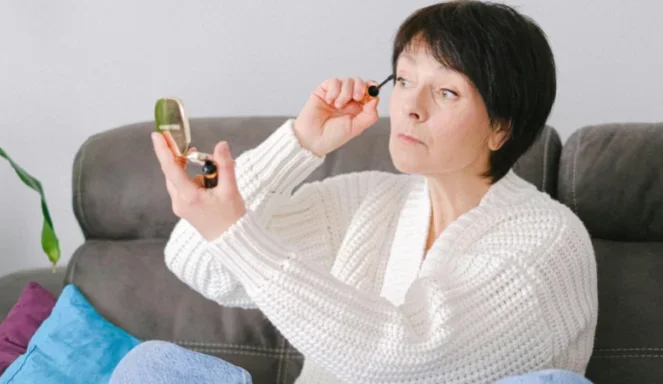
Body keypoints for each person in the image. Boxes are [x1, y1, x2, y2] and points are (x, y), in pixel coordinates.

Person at [110, 1, 598, 383]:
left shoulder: (549, 241)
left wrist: (236, 233)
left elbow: (407, 359)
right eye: (405, 80)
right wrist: (298, 144)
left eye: (446, 92)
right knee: (152, 368)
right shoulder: (367, 201)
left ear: (501, 129)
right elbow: (197, 261)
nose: (410, 106)